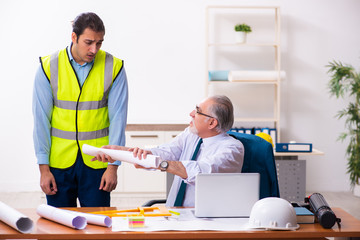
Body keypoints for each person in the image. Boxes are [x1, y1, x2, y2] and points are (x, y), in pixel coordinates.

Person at [32, 12, 128, 207]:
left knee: (97, 230)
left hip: (98, 162)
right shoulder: (49, 66)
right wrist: (44, 169)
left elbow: (118, 119)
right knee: (58, 229)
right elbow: (41, 120)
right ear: (74, 37)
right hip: (58, 164)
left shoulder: (114, 67)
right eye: (89, 42)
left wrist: (113, 166)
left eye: (99, 43)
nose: (94, 49)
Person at [92, 95, 244, 207]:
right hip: (173, 215)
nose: (191, 113)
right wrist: (119, 152)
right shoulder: (191, 135)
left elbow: (201, 172)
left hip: (204, 221)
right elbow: (164, 152)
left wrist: (161, 165)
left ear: (212, 122)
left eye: (198, 111)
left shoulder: (232, 149)